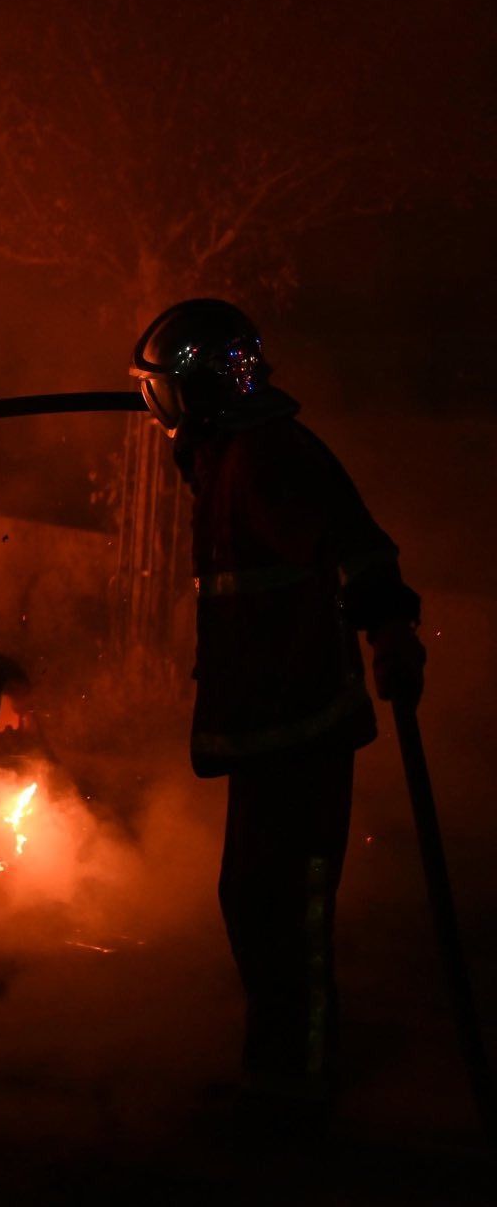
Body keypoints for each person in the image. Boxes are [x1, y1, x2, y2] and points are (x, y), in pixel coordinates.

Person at [132, 298, 425, 1115]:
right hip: (267, 726)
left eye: (165, 392)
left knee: (288, 914)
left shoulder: (273, 456)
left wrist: (391, 628)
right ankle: (275, 1074)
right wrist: (189, 438)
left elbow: (357, 544)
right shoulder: (229, 452)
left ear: (195, 388)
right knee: (254, 903)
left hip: (303, 725)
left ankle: (297, 1088)